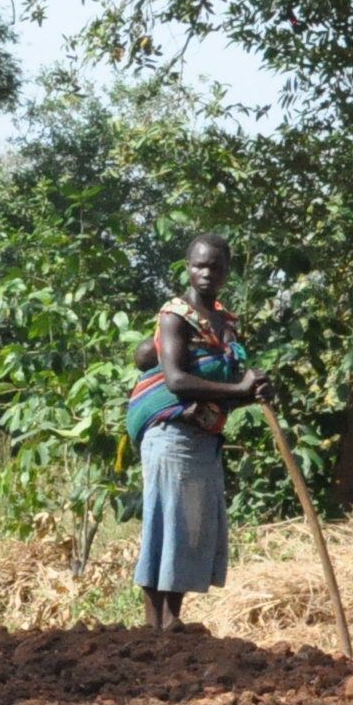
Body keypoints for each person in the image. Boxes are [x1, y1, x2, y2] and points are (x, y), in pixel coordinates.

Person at [126, 232, 263, 632]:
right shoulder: (175, 315)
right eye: (198, 265)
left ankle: (173, 620)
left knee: (190, 526)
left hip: (204, 437)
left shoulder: (226, 322)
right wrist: (239, 389)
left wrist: (251, 392)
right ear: (188, 268)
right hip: (171, 433)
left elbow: (225, 386)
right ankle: (155, 626)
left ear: (226, 272)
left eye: (214, 267)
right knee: (165, 523)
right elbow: (177, 381)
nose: (205, 273)